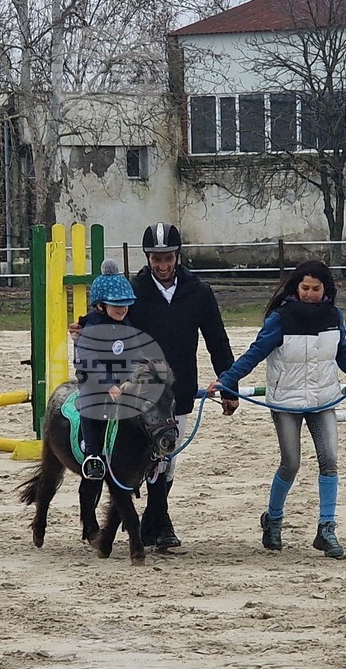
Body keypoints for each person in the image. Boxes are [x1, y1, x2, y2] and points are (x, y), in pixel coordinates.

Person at [206, 260, 346, 560]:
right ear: (296, 287)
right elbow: (255, 353)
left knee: (329, 462)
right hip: (285, 402)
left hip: (323, 400)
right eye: (304, 288)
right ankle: (273, 519)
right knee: (290, 463)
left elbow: (343, 355)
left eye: (315, 289)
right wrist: (227, 380)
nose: (309, 294)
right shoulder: (280, 319)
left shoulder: (335, 317)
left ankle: (326, 528)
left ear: (326, 289)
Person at [126, 222, 239, 549]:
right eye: (156, 259)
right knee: (151, 454)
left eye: (168, 258)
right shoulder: (134, 292)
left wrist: (229, 386)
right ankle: (160, 522)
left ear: (178, 256)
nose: (163, 265)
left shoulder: (199, 293)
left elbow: (217, 340)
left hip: (182, 387)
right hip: (144, 388)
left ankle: (155, 520)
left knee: (168, 456)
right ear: (148, 257)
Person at [74, 259, 138, 481]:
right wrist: (108, 384)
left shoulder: (127, 324)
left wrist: (132, 378)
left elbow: (134, 352)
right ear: (101, 305)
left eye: (125, 304)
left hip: (122, 382)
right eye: (116, 305)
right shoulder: (92, 327)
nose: (122, 309)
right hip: (94, 382)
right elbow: (90, 360)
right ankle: (93, 455)